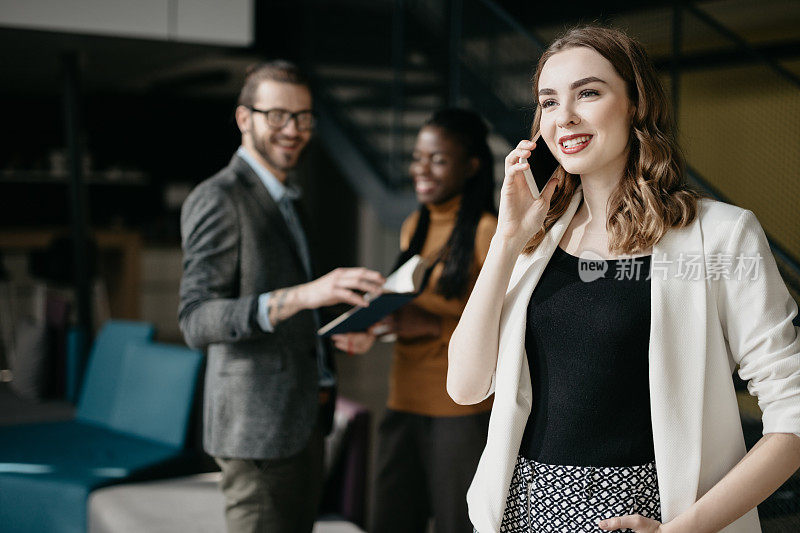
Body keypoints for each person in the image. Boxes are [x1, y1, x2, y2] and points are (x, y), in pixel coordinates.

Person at [447, 26, 800, 533]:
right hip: (520, 515)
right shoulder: (534, 242)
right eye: (548, 101)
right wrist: (506, 240)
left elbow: (792, 417)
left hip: (656, 519)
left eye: (587, 93)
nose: (563, 116)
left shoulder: (721, 236)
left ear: (637, 103)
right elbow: (464, 386)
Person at [178, 60, 385, 533]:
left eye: (303, 117)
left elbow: (298, 306)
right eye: (277, 116)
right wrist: (305, 294)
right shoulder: (221, 197)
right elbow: (195, 319)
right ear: (244, 118)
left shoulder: (286, 196)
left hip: (302, 421)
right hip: (257, 432)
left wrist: (341, 329)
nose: (292, 130)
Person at [333, 108, 498, 533]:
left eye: (438, 159)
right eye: (417, 158)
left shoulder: (488, 232)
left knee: (457, 523)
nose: (421, 170)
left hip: (460, 408)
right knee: (390, 519)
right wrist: (372, 325)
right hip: (403, 397)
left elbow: (507, 329)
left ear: (471, 166)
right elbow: (406, 304)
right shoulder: (414, 226)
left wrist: (431, 325)